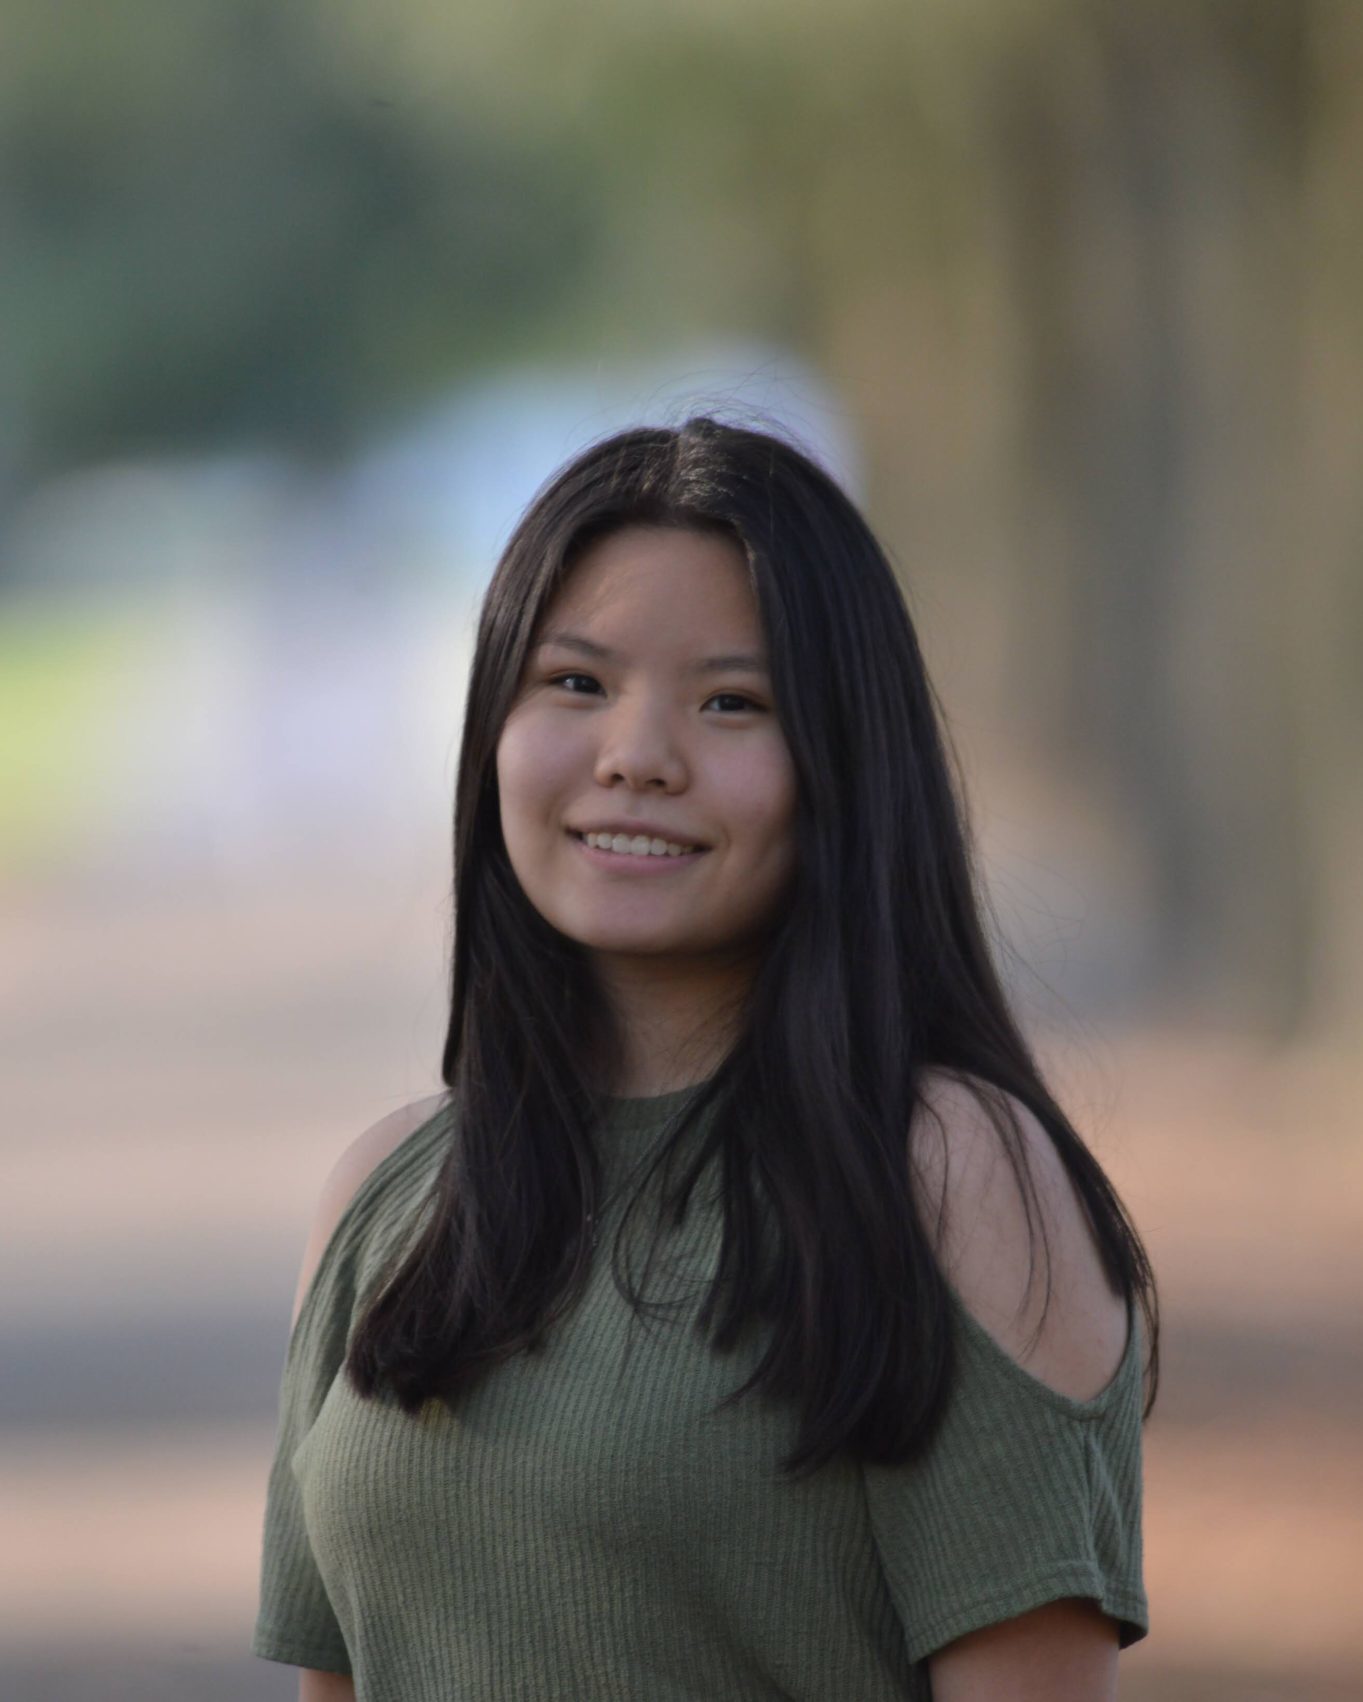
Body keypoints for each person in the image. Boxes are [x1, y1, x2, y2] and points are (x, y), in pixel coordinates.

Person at [253, 415, 1158, 1701]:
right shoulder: (385, 1199)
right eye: (574, 683)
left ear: (844, 762)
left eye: (733, 702)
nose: (636, 755)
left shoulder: (951, 1177)